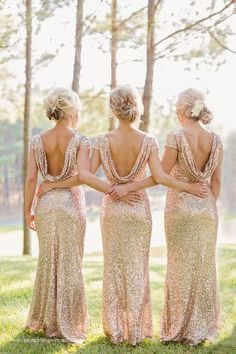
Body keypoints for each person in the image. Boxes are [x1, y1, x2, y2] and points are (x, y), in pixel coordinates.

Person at [37, 85, 207, 346]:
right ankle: (136, 330)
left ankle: (116, 330)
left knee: (114, 269)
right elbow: (159, 177)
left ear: (114, 110)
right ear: (136, 107)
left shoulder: (103, 141)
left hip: (113, 210)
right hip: (139, 210)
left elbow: (86, 176)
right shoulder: (149, 140)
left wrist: (54, 184)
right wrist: (137, 188)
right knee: (138, 268)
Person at [109, 87, 223, 346]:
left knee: (180, 267)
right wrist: (204, 206)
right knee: (204, 268)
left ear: (182, 110)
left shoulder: (176, 136)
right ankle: (201, 328)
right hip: (206, 209)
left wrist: (128, 187)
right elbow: (216, 182)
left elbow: (160, 175)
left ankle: (179, 329)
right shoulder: (216, 140)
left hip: (180, 209)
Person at [24, 88, 90, 344]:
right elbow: (83, 176)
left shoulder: (37, 140)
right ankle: (70, 322)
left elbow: (32, 178)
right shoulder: (81, 140)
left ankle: (48, 319)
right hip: (72, 203)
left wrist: (27, 208)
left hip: (46, 205)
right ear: (72, 109)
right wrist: (59, 184)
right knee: (71, 262)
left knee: (48, 261)